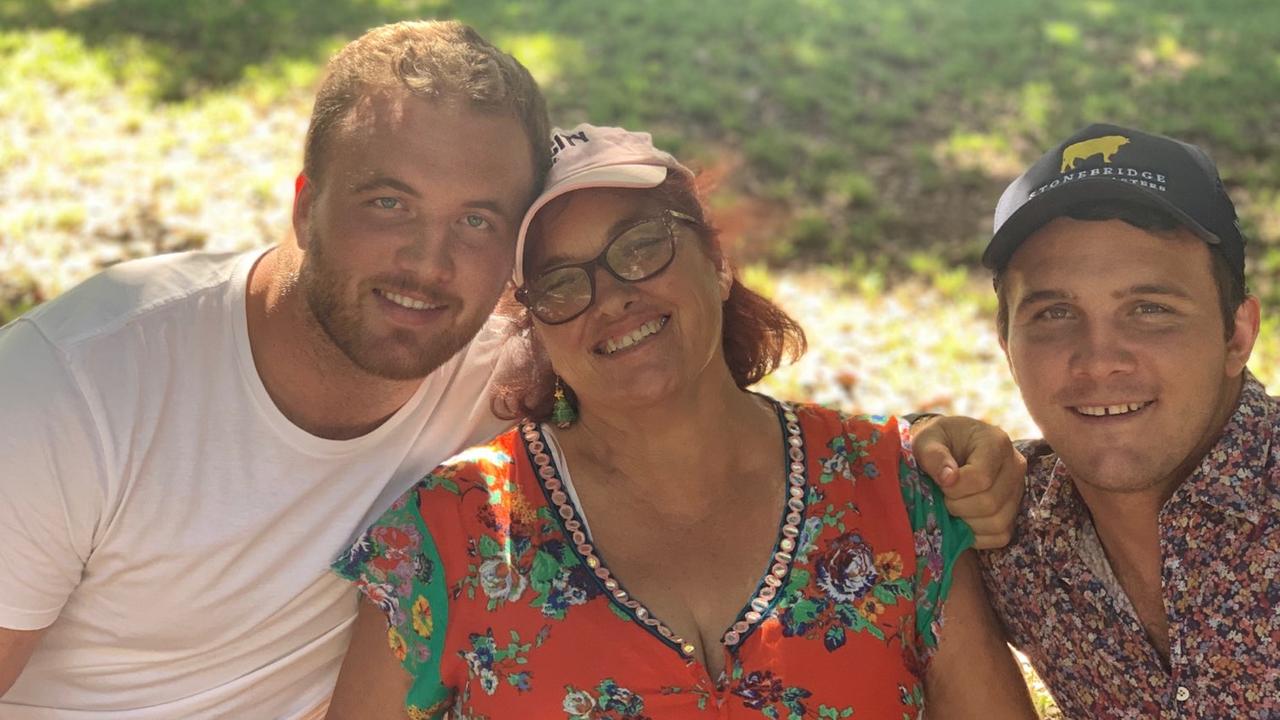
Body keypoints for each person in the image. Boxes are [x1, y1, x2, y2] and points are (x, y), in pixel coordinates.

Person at [0, 21, 1021, 719]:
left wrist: (942, 449)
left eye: (476, 223)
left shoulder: (877, 485)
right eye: (387, 203)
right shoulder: (74, 393)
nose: (427, 263)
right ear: (302, 203)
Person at [326, 125, 1037, 719]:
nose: (612, 298)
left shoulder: (895, 490)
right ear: (535, 327)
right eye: (562, 283)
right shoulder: (454, 534)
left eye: (640, 247)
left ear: (717, 261)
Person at [978, 123, 1279, 719]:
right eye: (1055, 312)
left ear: (1237, 335)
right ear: (1007, 344)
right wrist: (938, 435)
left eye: (1149, 309)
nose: (1100, 360)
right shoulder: (1005, 529)